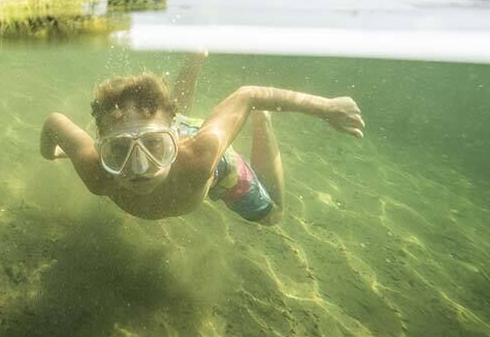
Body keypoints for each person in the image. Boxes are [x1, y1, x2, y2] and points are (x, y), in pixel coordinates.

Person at [39, 52, 364, 225]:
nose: (138, 168)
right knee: (160, 125)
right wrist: (51, 152)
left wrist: (326, 108)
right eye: (119, 150)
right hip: (174, 133)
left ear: (175, 138)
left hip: (214, 165)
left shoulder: (201, 156)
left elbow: (249, 94)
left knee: (274, 216)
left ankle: (261, 123)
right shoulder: (97, 174)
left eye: (155, 146)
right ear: (101, 146)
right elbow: (54, 122)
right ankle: (194, 60)